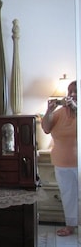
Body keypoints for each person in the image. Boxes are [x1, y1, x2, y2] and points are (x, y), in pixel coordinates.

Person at [41, 80, 78, 236]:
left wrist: (76, 109)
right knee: (68, 195)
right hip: (62, 162)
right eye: (70, 91)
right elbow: (46, 128)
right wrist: (49, 111)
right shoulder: (60, 113)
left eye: (76, 91)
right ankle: (70, 226)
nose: (72, 94)